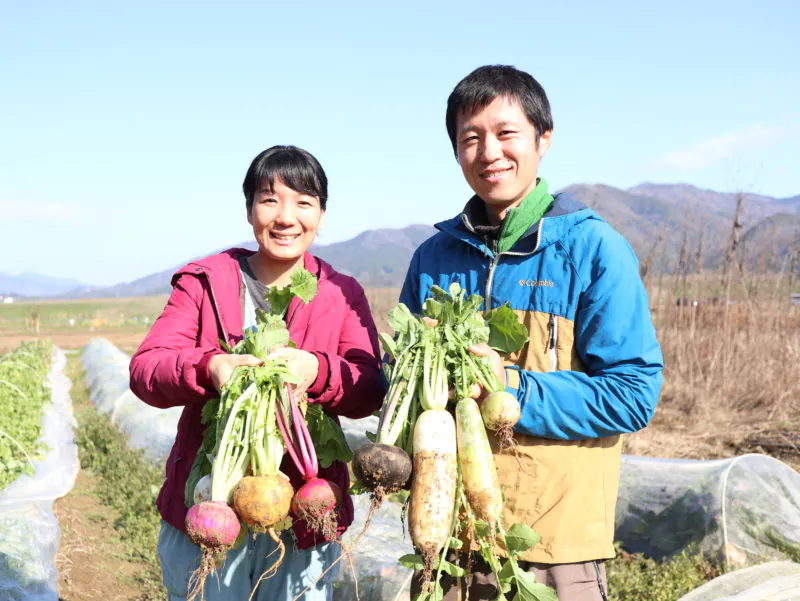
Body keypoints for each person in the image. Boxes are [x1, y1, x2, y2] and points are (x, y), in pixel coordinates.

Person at [400, 65, 664, 601]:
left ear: (543, 139)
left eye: (505, 133)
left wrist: (513, 389)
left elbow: (633, 396)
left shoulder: (593, 249)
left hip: (555, 544)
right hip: (452, 536)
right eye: (470, 139)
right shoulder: (433, 258)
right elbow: (398, 382)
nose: (488, 151)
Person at [129, 145, 384, 601]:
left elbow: (369, 389)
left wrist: (319, 371)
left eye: (304, 202)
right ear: (249, 210)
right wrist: (209, 366)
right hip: (213, 501)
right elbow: (147, 369)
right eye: (270, 200)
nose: (286, 217)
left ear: (321, 215)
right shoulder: (205, 281)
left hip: (305, 514)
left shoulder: (342, 293)